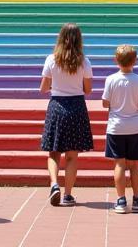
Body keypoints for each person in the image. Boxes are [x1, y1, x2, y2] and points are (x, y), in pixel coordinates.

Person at [40, 23, 94, 207]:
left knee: (53, 152)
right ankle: (68, 195)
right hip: (77, 106)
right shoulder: (84, 61)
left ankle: (54, 184)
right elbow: (88, 90)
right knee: (72, 155)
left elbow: (43, 88)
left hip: (57, 106)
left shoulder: (51, 59)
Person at [102, 44, 138, 214]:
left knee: (119, 164)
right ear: (135, 61)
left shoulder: (111, 79)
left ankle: (121, 200)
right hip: (135, 126)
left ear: (116, 60)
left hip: (116, 127)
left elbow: (105, 102)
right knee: (134, 165)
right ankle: (137, 199)